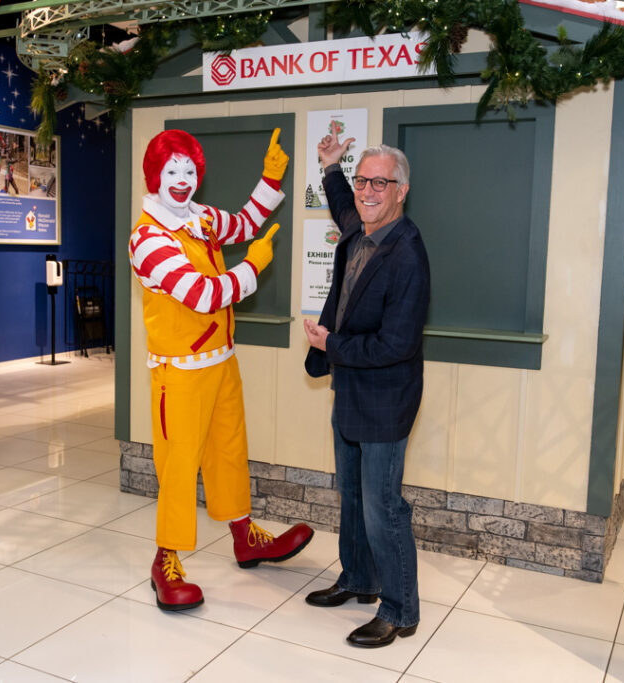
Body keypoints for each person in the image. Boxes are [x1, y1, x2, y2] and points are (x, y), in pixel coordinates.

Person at [129, 128, 313, 612]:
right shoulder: (148, 239)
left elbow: (246, 221)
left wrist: (270, 177)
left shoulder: (201, 218)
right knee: (177, 467)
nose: (182, 180)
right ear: (155, 174)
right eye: (172, 171)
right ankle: (164, 558)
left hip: (221, 361)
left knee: (230, 451)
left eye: (189, 171)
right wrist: (252, 267)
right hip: (180, 371)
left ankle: (242, 536)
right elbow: (204, 294)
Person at [303, 131, 430, 648]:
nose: (368, 191)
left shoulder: (407, 254)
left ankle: (400, 610)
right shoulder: (361, 232)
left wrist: (332, 344)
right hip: (352, 389)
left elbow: (394, 345)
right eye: (362, 181)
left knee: (383, 505)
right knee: (352, 494)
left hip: (385, 396)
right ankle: (358, 577)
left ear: (401, 191)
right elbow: (344, 207)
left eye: (381, 183)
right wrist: (332, 168)